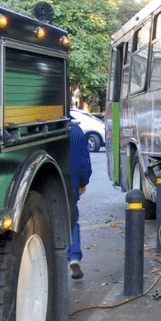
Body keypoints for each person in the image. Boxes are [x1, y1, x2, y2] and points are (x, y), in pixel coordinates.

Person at [69, 119, 92, 279]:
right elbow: (85, 162)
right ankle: (74, 257)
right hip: (71, 186)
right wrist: (83, 182)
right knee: (72, 222)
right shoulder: (76, 130)